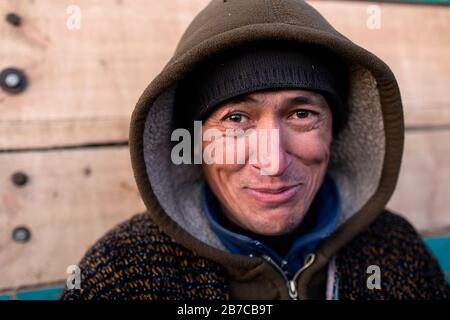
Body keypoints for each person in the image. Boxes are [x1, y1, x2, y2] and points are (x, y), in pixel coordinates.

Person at [62, 0, 449, 300]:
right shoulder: (126, 270)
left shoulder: (396, 250)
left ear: (335, 131)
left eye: (301, 114)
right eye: (235, 119)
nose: (273, 162)